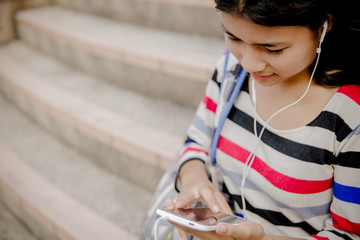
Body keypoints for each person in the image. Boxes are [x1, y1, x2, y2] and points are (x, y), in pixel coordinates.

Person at [165, 0, 360, 239]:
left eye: (272, 49)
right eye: (234, 38)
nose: (249, 63)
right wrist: (193, 178)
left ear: (323, 27)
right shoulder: (231, 70)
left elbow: (349, 234)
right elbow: (196, 141)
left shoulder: (351, 117)